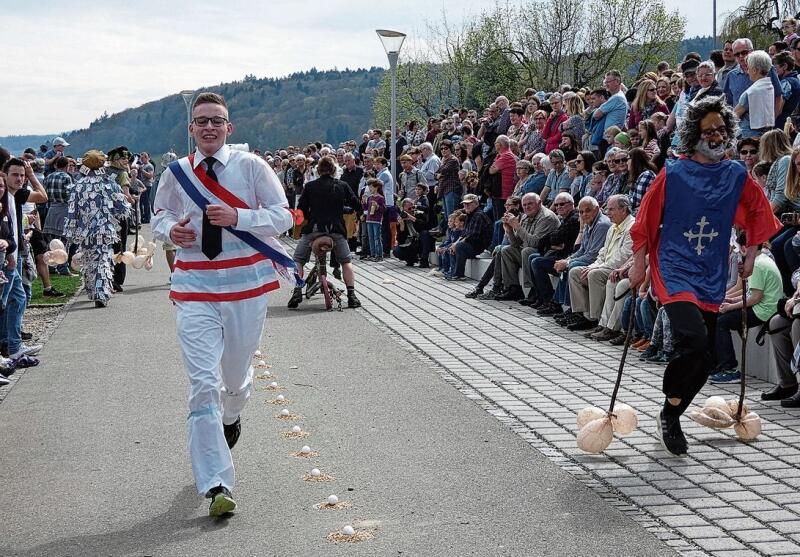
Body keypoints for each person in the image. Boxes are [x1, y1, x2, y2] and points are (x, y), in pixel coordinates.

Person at [152, 92, 296, 516]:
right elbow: (159, 215)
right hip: (195, 286)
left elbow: (283, 215)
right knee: (201, 385)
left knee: (234, 379)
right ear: (191, 129)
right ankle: (216, 483)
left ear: (229, 128)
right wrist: (168, 232)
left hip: (245, 288)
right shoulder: (176, 173)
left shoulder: (252, 167)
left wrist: (240, 218)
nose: (209, 127)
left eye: (217, 120)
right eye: (201, 121)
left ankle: (232, 415)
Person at [628, 96, 781, 456]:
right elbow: (646, 218)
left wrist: (752, 253)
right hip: (674, 265)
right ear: (693, 133)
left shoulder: (735, 173)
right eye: (708, 130)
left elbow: (759, 211)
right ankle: (673, 402)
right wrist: (639, 263)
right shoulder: (675, 172)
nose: (715, 136)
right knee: (692, 339)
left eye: (721, 130)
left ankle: (672, 412)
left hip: (710, 270)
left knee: (708, 355)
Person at [287, 155, 362, 308]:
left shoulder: (310, 186)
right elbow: (357, 205)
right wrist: (346, 210)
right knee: (346, 262)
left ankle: (296, 291)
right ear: (334, 170)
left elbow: (301, 209)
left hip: (314, 229)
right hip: (336, 230)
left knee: (298, 260)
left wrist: (308, 217)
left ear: (318, 170)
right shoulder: (342, 185)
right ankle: (352, 295)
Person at [64, 151, 131, 308]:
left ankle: (92, 289)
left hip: (84, 231)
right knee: (102, 259)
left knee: (88, 259)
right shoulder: (110, 184)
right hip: (105, 229)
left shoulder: (77, 186)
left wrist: (70, 232)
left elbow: (72, 212)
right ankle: (100, 293)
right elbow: (121, 208)